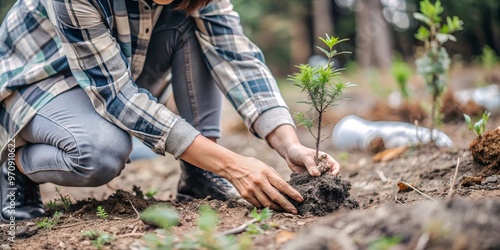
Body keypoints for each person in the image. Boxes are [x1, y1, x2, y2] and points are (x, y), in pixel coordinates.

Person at [0, 0, 340, 222]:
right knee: (100, 152)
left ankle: (198, 176)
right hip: (39, 79)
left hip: (115, 62)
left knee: (189, 23)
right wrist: (231, 165)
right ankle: (15, 166)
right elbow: (117, 96)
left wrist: (288, 143)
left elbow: (238, 59)